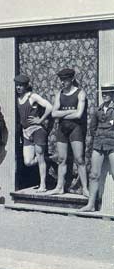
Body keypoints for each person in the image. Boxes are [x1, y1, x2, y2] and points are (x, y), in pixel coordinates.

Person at [47, 68, 90, 197]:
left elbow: (78, 115)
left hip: (75, 129)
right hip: (62, 129)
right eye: (61, 80)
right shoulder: (59, 94)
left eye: (65, 80)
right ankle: (59, 187)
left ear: (71, 79)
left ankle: (85, 188)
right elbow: (54, 113)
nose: (62, 82)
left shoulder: (80, 93)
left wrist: (61, 114)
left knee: (79, 159)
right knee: (61, 159)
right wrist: (69, 112)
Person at [15, 74, 54, 192]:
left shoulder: (32, 96)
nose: (18, 88)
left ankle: (43, 185)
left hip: (37, 130)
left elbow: (49, 107)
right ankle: (50, 159)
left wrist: (40, 120)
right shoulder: (16, 98)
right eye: (17, 85)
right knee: (28, 162)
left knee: (40, 157)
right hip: (26, 132)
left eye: (21, 86)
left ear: (26, 86)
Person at [79, 82, 114, 212]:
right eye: (103, 93)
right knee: (94, 174)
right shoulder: (98, 110)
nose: (105, 95)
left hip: (113, 143)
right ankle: (91, 205)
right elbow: (92, 129)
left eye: (108, 93)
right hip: (98, 143)